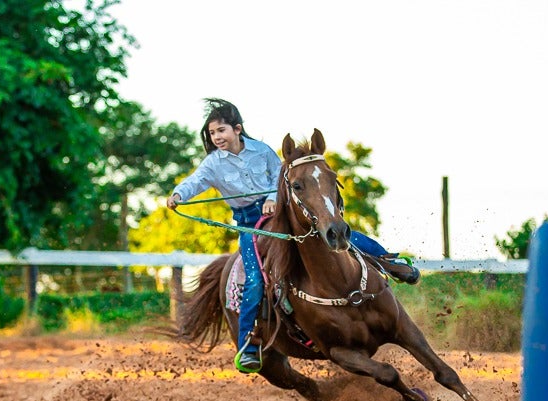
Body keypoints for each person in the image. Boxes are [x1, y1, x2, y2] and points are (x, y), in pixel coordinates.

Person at [168, 98, 418, 373]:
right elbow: (196, 181)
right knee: (252, 279)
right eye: (212, 133)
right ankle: (249, 343)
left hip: (281, 215)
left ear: (237, 129)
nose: (217, 137)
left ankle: (391, 262)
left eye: (221, 130)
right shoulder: (213, 164)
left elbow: (282, 176)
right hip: (250, 225)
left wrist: (273, 198)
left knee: (342, 236)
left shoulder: (261, 151)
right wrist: (179, 194)